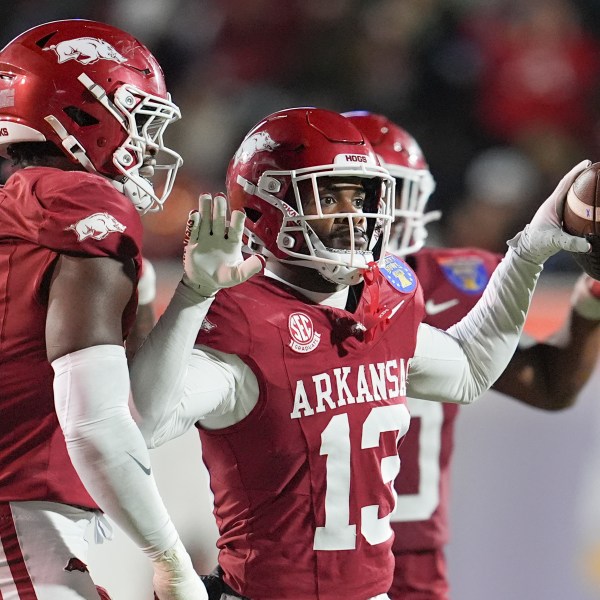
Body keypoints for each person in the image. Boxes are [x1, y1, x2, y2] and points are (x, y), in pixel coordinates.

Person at [128, 106, 592, 600]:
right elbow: (142, 424)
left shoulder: (386, 297)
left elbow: (471, 369)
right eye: (328, 195)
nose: (353, 214)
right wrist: (194, 296)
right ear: (264, 205)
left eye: (361, 195)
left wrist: (527, 253)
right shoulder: (244, 316)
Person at [344, 110, 600, 600]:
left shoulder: (445, 283)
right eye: (349, 193)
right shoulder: (267, 297)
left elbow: (549, 385)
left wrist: (593, 292)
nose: (374, 212)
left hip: (408, 557)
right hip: (293, 555)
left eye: (388, 192)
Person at [0, 19, 207, 600]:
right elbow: (96, 426)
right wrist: (171, 559)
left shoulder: (28, 211)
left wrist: (192, 292)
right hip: (15, 528)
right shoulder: (82, 202)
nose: (148, 143)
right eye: (138, 116)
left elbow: (140, 413)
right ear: (82, 114)